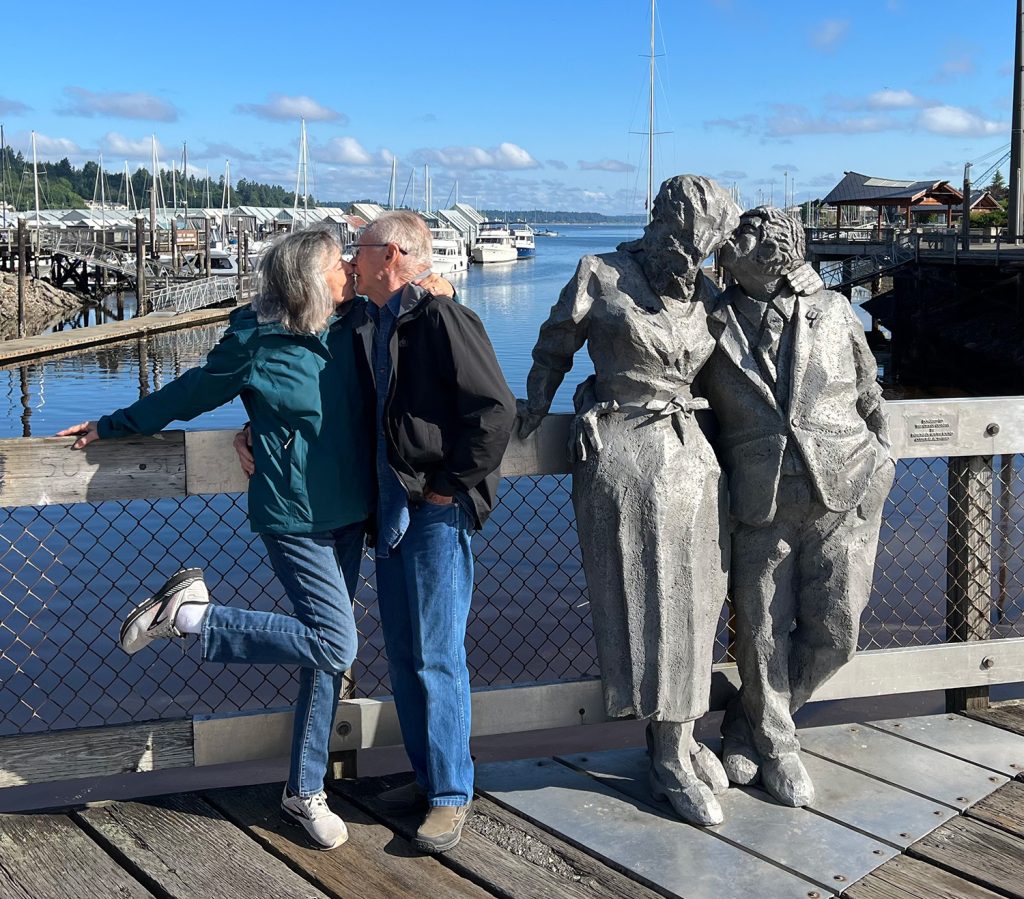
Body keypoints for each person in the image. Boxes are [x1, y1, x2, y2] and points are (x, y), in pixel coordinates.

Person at [57, 227, 375, 851]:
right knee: (337, 642)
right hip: (293, 515)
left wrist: (439, 287)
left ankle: (303, 789)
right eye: (338, 263)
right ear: (310, 280)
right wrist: (113, 424)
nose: (348, 270)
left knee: (323, 656)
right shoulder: (254, 339)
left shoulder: (358, 323)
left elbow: (414, 301)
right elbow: (191, 393)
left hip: (351, 512)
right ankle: (192, 616)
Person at [518, 175, 739, 826]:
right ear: (665, 224)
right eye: (692, 243)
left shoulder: (707, 292)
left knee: (700, 603)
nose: (697, 258)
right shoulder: (600, 272)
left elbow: (738, 371)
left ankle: (681, 734)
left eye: (708, 248)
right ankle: (666, 753)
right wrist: (535, 406)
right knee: (650, 604)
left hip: (695, 458)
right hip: (626, 460)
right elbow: (553, 343)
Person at [699, 206, 894, 807]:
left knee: (839, 632)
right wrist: (597, 394)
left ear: (778, 248)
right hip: (761, 497)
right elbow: (651, 366)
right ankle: (779, 746)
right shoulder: (706, 320)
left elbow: (868, 388)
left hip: (848, 487)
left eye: (746, 233)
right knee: (759, 632)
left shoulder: (834, 309)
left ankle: (744, 724)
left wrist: (883, 459)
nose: (730, 242)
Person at [350, 211, 515, 852]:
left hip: (433, 514)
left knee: (438, 657)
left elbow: (495, 410)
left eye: (359, 251)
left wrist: (450, 484)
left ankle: (450, 793)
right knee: (403, 655)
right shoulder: (374, 318)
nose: (351, 260)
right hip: (390, 514)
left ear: (391, 254)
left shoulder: (443, 317)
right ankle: (425, 779)